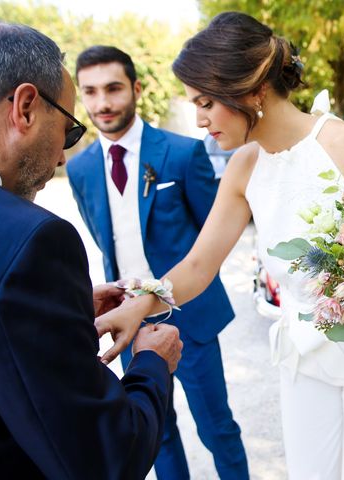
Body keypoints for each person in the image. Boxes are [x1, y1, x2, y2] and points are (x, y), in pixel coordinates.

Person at [95, 12, 344, 480]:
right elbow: (199, 264)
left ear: (252, 90)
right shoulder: (244, 166)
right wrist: (137, 306)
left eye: (206, 102)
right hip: (303, 359)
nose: (200, 119)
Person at [0, 22, 183, 479]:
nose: (62, 156)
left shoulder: (181, 152)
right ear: (25, 108)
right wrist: (152, 365)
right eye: (68, 129)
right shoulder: (37, 239)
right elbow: (107, 459)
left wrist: (65, 308)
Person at [66, 46, 248, 480]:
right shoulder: (81, 168)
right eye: (90, 92)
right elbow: (102, 238)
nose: (102, 103)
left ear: (136, 88)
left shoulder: (184, 154)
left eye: (113, 88)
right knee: (154, 432)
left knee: (217, 428)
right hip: (127, 322)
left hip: (192, 318)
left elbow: (212, 238)